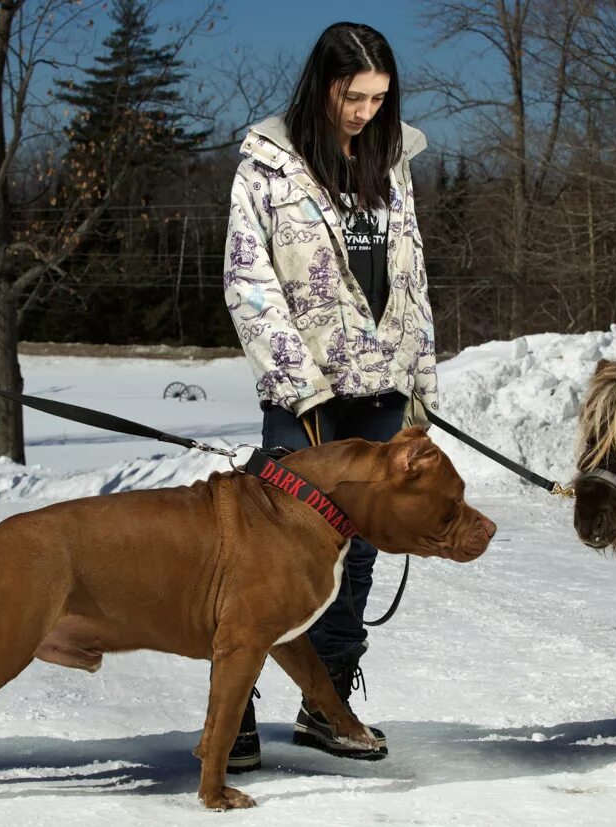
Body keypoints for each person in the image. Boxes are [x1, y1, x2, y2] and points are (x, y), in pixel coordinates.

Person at [221, 22, 438, 772]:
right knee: (270, 554)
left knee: (360, 551)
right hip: (305, 394)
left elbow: (411, 282)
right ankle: (234, 714)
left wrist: (420, 390)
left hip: (381, 389)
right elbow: (248, 284)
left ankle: (327, 703)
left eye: (379, 98)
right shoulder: (268, 168)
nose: (365, 112)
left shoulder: (393, 161)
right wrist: (298, 386)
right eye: (353, 96)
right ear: (323, 85)